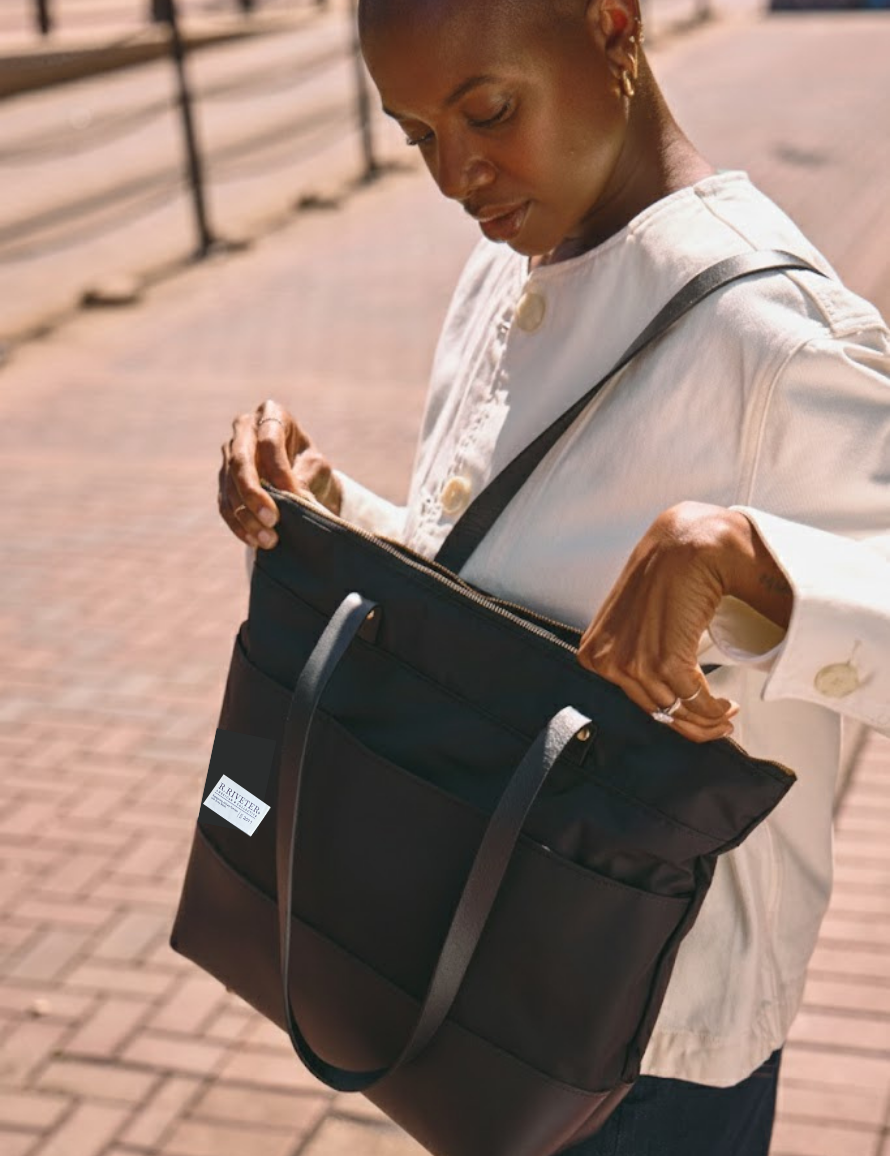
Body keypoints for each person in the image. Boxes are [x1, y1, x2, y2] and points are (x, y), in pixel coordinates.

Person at [216, 0, 890, 1150]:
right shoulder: (512, 262)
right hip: (484, 968)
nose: (454, 175)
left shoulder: (775, 338)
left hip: (652, 1040)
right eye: (418, 134)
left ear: (612, 28)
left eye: (485, 110)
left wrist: (757, 568)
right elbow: (500, 596)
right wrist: (331, 507)